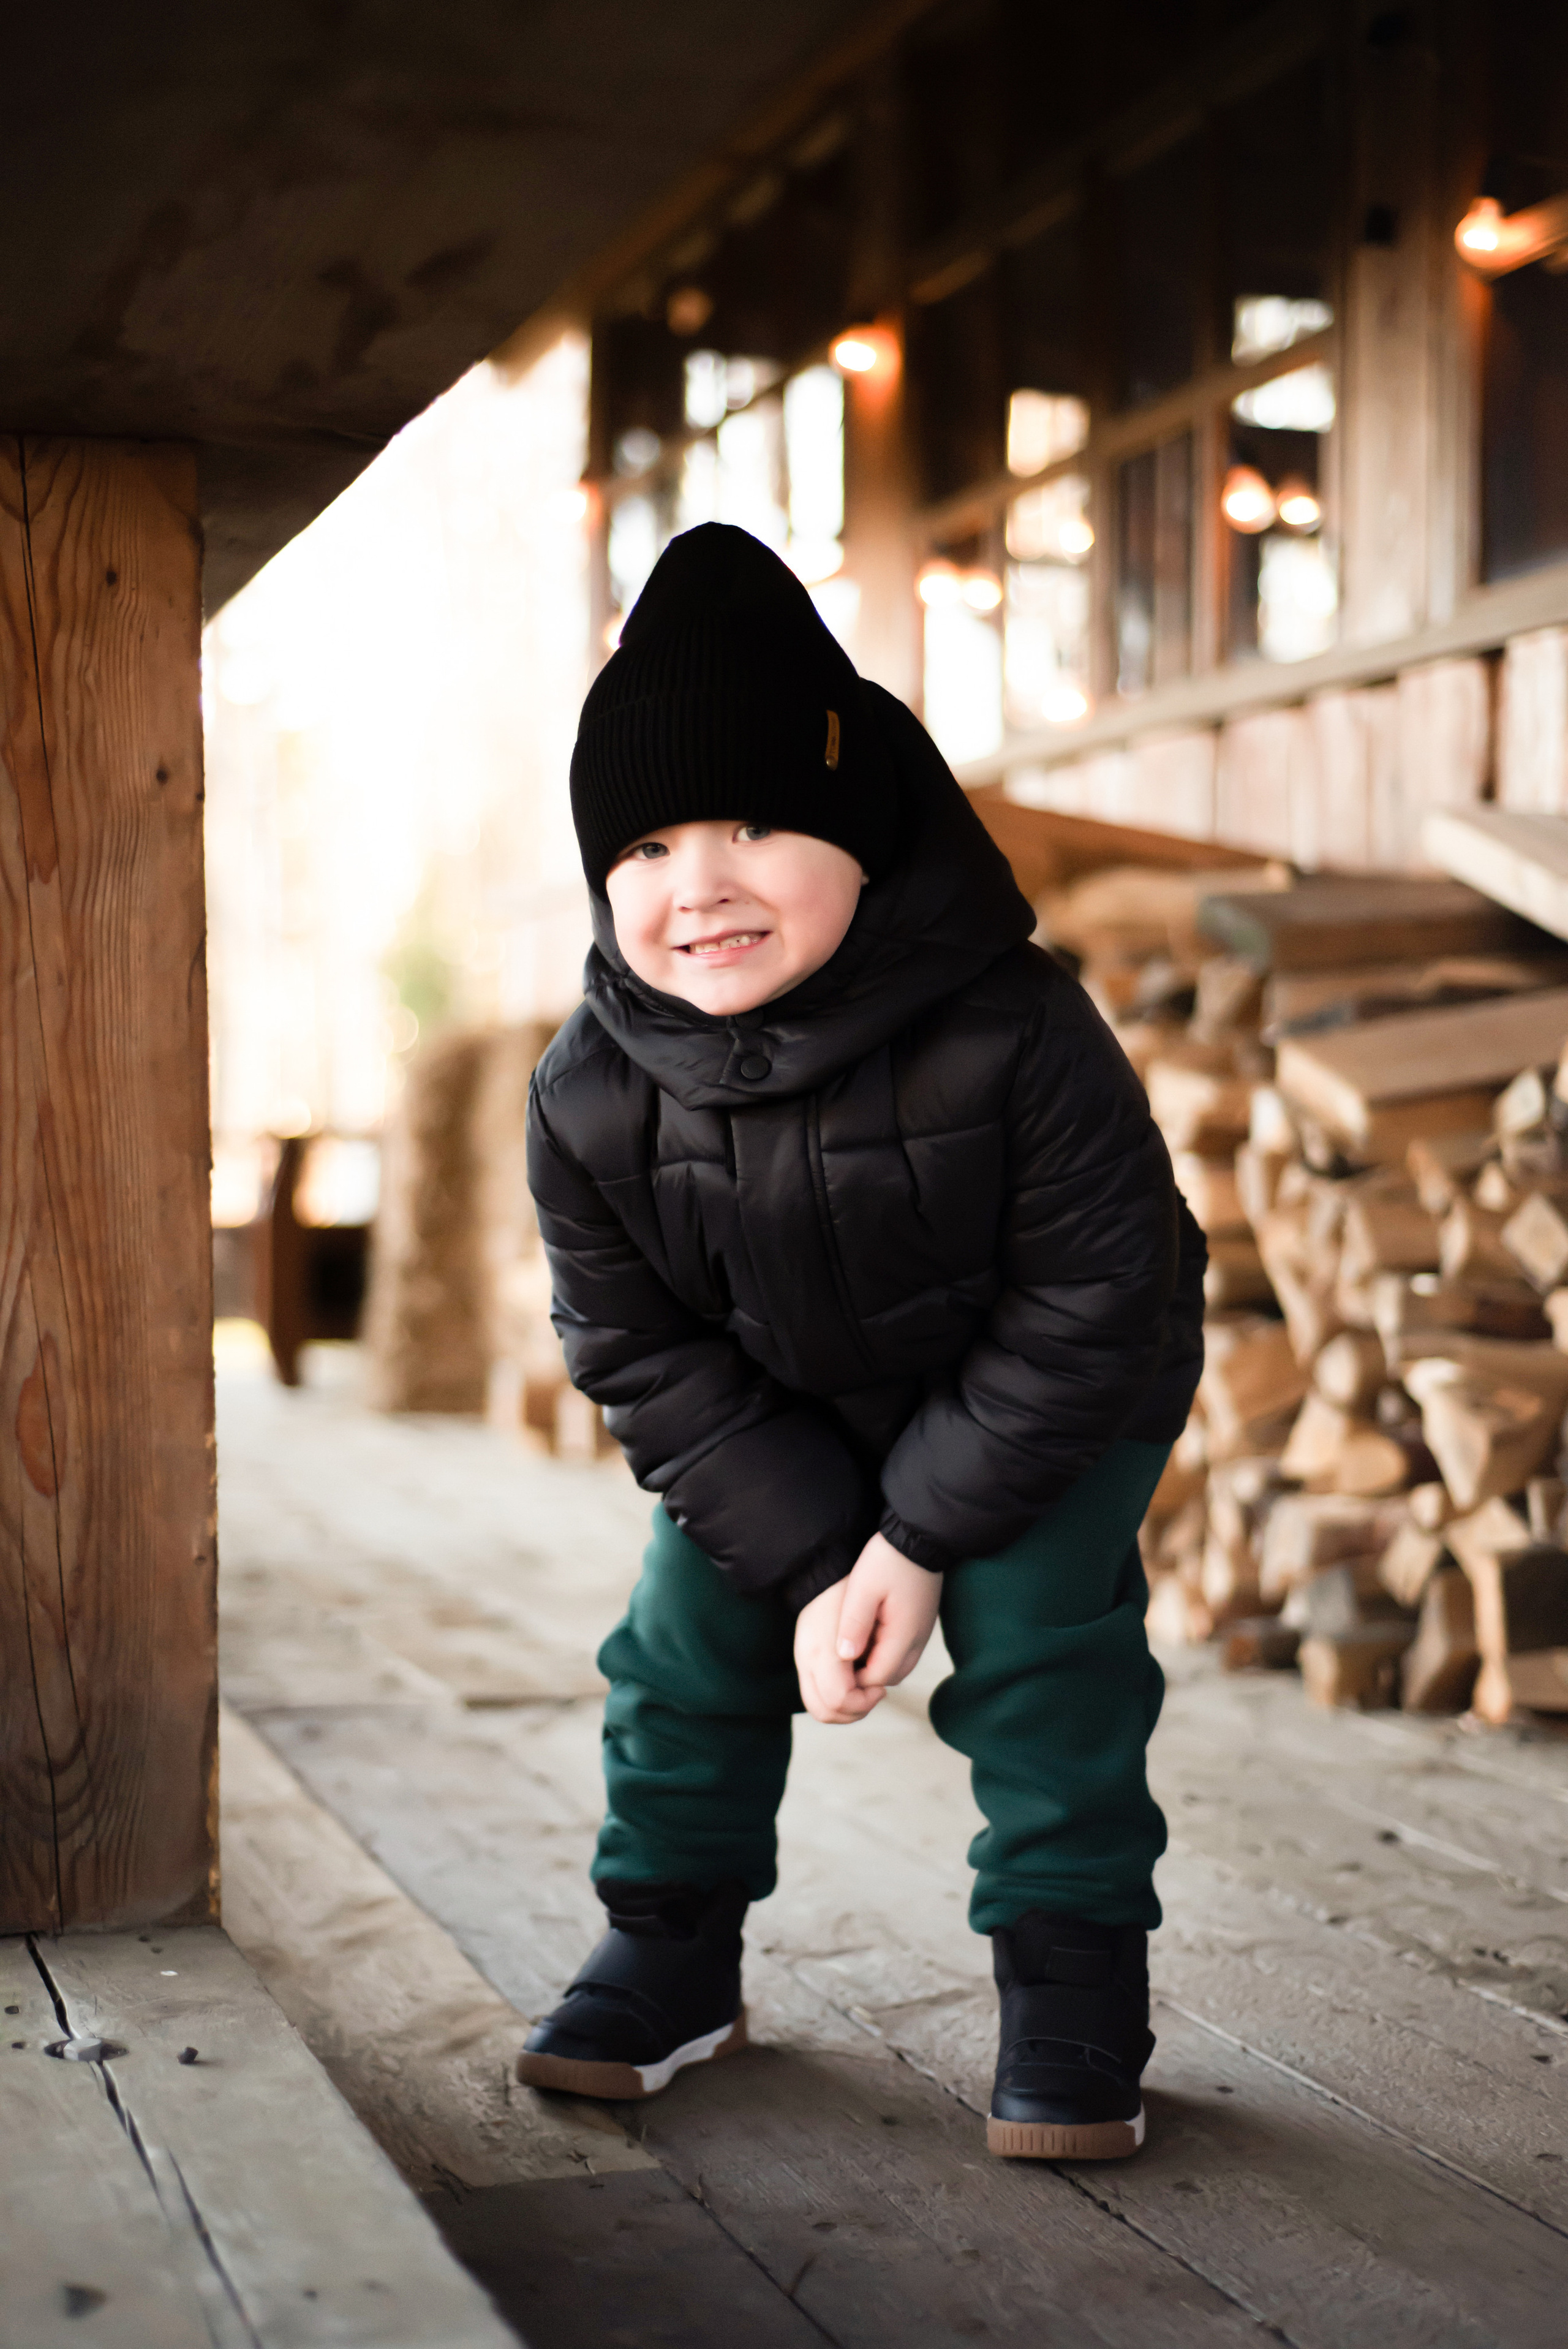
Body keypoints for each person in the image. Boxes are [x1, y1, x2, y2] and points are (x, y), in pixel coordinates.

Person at [519, 523, 1205, 2160]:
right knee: (687, 1632)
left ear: (862, 829)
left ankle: (1072, 1969)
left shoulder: (1017, 1025)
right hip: (788, 1408)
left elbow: (1090, 1298)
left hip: (1055, 1391)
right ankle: (672, 1943)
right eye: (653, 845)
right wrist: (826, 1548)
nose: (702, 884)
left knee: (1046, 1642)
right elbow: (645, 1355)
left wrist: (919, 1537)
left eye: (756, 821)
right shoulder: (588, 1094)